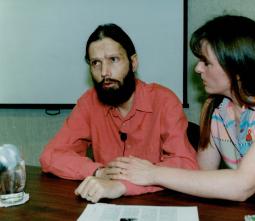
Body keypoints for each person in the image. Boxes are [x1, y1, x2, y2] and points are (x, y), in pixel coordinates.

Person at [106, 15, 255, 201]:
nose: (198, 68)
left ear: (237, 66)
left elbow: (243, 185)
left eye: (206, 62)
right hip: (248, 209)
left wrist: (152, 173)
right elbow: (200, 175)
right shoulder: (215, 108)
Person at [39, 23, 198, 202]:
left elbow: (186, 165)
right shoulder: (89, 102)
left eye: (113, 60)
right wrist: (98, 171)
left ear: (133, 62)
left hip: (160, 204)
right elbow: (51, 156)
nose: (104, 73)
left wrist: (123, 185)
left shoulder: (164, 100)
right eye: (96, 63)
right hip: (105, 206)